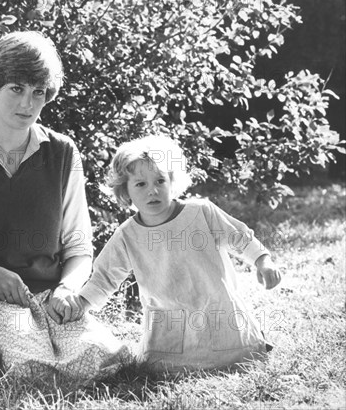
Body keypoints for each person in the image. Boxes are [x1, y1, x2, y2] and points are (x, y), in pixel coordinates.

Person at [0, 31, 127, 383]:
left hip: (51, 297)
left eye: (38, 92)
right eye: (16, 89)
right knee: (30, 361)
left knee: (102, 357)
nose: (28, 104)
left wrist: (68, 289)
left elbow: (79, 247)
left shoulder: (62, 152)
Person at [68, 135, 282, 373]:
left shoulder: (200, 212)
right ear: (125, 191)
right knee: (165, 369)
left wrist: (263, 261)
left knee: (239, 358)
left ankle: (245, 349)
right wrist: (81, 303)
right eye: (141, 184)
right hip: (168, 330)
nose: (153, 191)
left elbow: (239, 237)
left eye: (160, 180)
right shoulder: (128, 235)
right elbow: (105, 277)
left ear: (172, 180)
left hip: (219, 315)